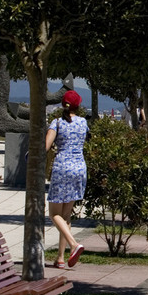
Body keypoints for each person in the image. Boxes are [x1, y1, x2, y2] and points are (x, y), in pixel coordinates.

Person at [46, 89, 88, 268]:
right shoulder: (83, 122)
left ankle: (73, 244)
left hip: (62, 168)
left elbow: (46, 146)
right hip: (79, 168)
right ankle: (61, 258)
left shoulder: (57, 123)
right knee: (65, 215)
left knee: (54, 213)